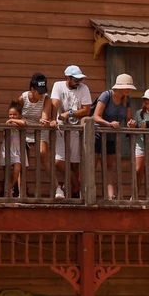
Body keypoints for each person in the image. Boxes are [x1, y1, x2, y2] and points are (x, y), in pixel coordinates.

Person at [92, 73, 138, 200]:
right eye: (127, 87)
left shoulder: (126, 99)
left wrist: (131, 123)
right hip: (97, 135)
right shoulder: (106, 95)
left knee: (109, 167)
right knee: (92, 165)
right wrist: (109, 124)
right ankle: (87, 194)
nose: (128, 90)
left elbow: (128, 118)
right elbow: (95, 116)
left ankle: (110, 196)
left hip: (111, 137)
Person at [51, 64, 91, 199]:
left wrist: (70, 113)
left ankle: (73, 192)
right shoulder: (58, 85)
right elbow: (54, 102)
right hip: (61, 128)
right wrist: (53, 117)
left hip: (75, 130)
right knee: (59, 161)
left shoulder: (84, 88)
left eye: (80, 79)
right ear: (67, 77)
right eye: (76, 79)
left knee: (75, 163)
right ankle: (76, 184)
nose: (79, 82)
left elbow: (86, 110)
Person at [19, 73, 60, 198]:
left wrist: (44, 120)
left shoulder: (46, 99)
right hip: (25, 129)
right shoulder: (22, 98)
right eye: (38, 91)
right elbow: (16, 114)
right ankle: (21, 191)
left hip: (40, 129)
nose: (41, 94)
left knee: (43, 154)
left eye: (43, 91)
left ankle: (57, 188)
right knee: (22, 159)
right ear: (32, 89)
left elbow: (45, 115)